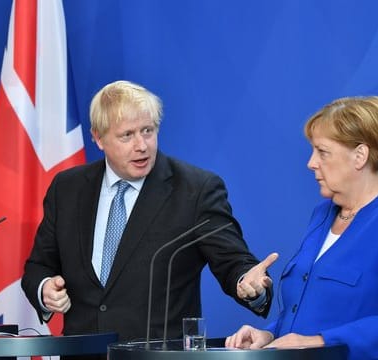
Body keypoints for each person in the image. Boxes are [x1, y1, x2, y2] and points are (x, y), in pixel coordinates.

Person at [21, 80, 278, 349]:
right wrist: (45, 289)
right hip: (82, 353)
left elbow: (233, 262)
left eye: (148, 131)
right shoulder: (68, 188)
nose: (141, 145)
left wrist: (250, 284)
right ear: (98, 137)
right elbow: (39, 266)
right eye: (127, 135)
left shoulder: (195, 190)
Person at [225, 96, 378, 359]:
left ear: (360, 155)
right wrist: (269, 336)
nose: (311, 162)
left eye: (322, 152)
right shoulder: (322, 214)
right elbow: (306, 312)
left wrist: (320, 342)